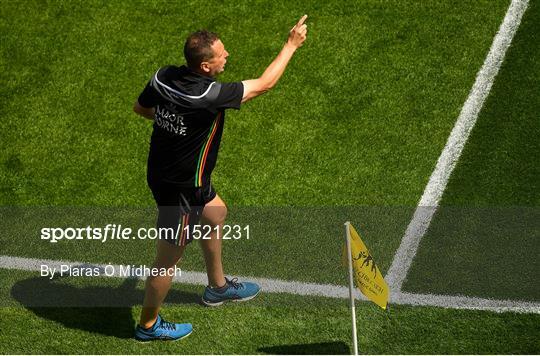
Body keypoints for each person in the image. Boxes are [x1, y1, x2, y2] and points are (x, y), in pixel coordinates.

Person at [132, 15, 308, 342]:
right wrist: (290, 45)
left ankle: (217, 287)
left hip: (164, 172)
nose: (227, 56)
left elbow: (141, 109)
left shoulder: (164, 77)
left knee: (216, 213)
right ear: (205, 67)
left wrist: (172, 123)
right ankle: (148, 325)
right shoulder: (208, 96)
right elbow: (265, 83)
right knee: (167, 259)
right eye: (221, 55)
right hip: (182, 190)